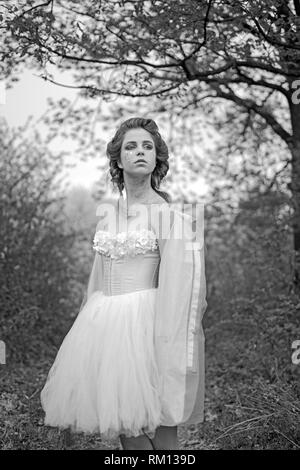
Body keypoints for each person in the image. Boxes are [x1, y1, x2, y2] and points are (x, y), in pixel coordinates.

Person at [40, 117, 207, 451]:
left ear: (157, 158)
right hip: (106, 324)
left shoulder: (169, 215)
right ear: (118, 160)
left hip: (149, 325)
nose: (140, 152)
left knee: (163, 426)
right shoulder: (109, 212)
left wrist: (169, 342)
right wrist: (89, 327)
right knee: (124, 424)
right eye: (131, 146)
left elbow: (183, 288)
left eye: (147, 146)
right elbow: (97, 275)